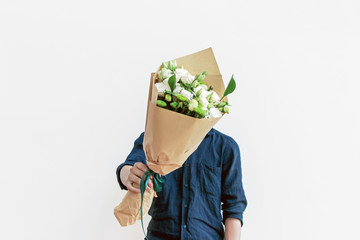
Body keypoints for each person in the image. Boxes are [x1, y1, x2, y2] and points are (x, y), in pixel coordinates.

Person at [116, 128, 247, 240]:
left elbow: (234, 207)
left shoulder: (226, 146)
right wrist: (128, 174)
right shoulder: (154, 138)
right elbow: (127, 168)